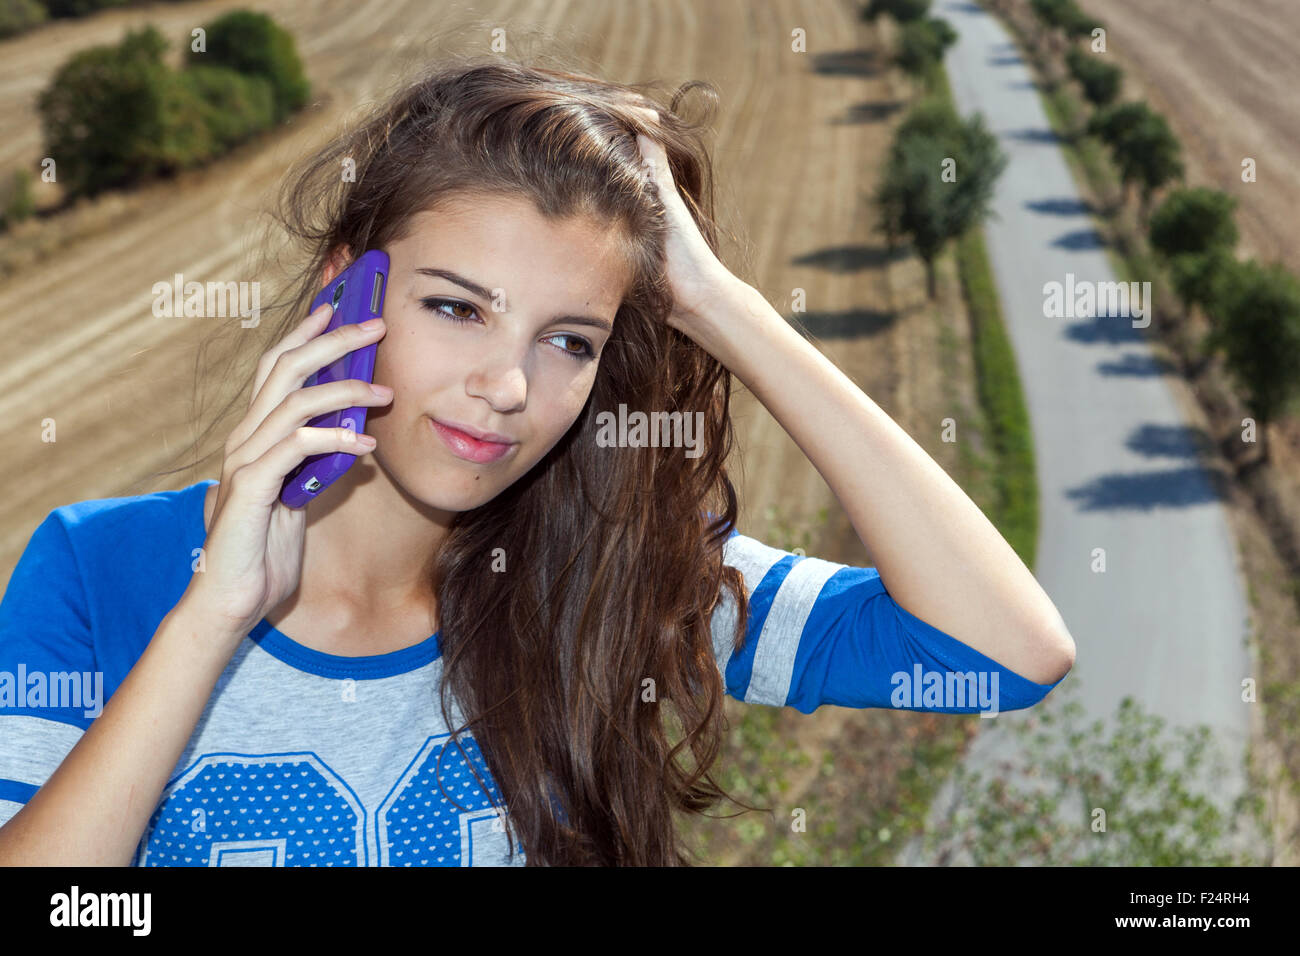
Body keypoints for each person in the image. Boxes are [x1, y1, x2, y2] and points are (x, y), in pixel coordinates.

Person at [0, 55, 1074, 867]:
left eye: (570, 339)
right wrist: (211, 618)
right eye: (458, 307)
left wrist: (718, 305)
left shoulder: (609, 581)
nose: (509, 385)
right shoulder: (96, 573)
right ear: (345, 288)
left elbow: (1002, 652)